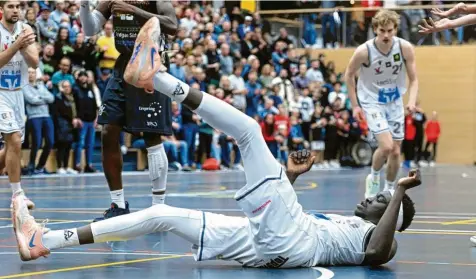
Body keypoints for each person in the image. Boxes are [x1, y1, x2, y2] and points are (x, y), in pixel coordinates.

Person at [13, 17, 419, 267]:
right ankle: (44, 241)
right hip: (269, 246)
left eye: (379, 202)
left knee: (248, 131)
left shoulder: (374, 239)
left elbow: (380, 250)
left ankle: (157, 80)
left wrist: (397, 192)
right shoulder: (345, 224)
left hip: (294, 243)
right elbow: (276, 215)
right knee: (162, 215)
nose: (372, 198)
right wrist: (289, 178)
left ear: (391, 216)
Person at [79, 0, 178, 221]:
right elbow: (89, 29)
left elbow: (172, 25)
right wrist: (84, 5)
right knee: (108, 131)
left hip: (150, 63)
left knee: (152, 135)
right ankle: (118, 204)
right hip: (123, 66)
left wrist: (133, 10)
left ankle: (158, 207)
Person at [344, 10, 419, 198]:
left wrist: (410, 101)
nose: (386, 35)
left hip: (394, 102)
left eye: (390, 31)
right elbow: (349, 74)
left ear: (396, 29)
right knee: (386, 146)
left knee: (395, 151)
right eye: (382, 31)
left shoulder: (404, 48)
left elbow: (414, 79)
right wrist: (355, 105)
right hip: (372, 102)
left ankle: (390, 190)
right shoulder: (364, 51)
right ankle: (374, 177)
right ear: (375, 29)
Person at [0, 0, 39, 209]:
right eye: (10, 6)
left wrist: (23, 47)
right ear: (1, 9)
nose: (15, 10)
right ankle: (18, 195)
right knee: (14, 138)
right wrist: (17, 44)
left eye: (18, 6)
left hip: (17, 92)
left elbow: (35, 62)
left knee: (12, 148)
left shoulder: (26, 29)